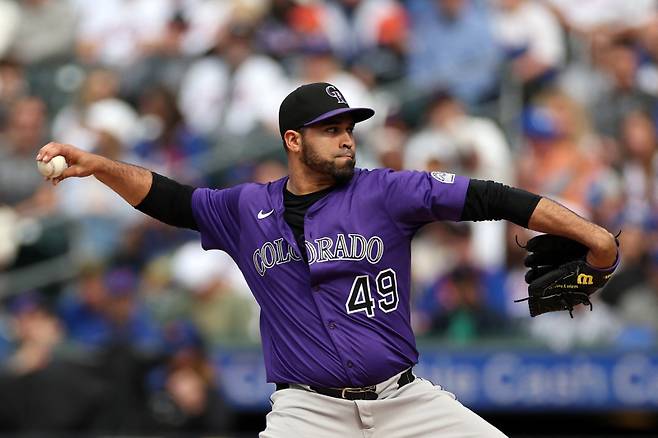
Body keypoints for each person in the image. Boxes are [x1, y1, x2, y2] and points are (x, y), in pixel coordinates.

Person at [37, 82, 619, 437]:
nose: (346, 139)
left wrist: (591, 233)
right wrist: (101, 165)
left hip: (405, 401)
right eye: (330, 130)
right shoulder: (245, 207)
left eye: (349, 129)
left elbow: (490, 197)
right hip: (306, 414)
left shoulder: (386, 192)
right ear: (292, 139)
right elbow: (172, 199)